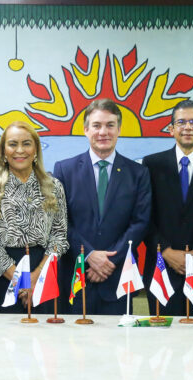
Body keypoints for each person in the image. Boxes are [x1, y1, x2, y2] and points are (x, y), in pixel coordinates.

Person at [53, 98, 151, 315]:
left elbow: (140, 222)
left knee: (119, 337)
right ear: (86, 130)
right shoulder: (64, 170)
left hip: (118, 277)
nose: (103, 132)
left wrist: (109, 260)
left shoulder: (138, 173)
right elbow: (60, 223)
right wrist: (88, 255)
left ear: (119, 129)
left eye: (110, 125)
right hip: (76, 276)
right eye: (96, 125)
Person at [142, 99, 193, 316]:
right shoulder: (151, 165)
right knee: (163, 335)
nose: (187, 127)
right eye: (181, 122)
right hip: (161, 268)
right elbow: (144, 216)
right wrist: (165, 250)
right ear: (171, 129)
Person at [0, 121, 69, 314]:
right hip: (3, 276)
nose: (20, 150)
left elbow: (59, 236)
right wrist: (21, 280)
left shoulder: (54, 186)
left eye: (26, 144)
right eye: (13, 144)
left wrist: (36, 278)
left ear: (35, 150)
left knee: (45, 332)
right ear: (4, 151)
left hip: (44, 274)